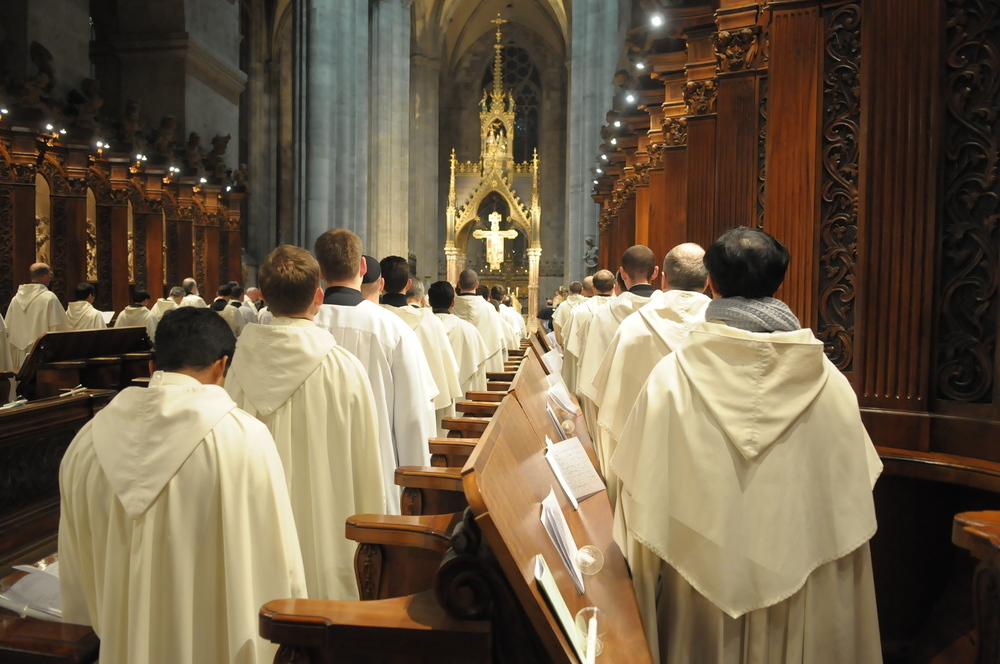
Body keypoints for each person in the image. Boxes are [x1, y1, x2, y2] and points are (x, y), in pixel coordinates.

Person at [611, 227, 883, 663]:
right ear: (779, 283)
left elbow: (638, 499)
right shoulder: (830, 383)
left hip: (699, 594)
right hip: (801, 600)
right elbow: (851, 498)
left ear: (712, 284)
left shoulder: (670, 379)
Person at [59, 307, 307, 664]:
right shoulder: (244, 439)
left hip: (119, 646)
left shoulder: (86, 442)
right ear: (222, 366)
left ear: (151, 366)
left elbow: (75, 573)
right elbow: (279, 562)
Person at [226, 245, 385, 600]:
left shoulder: (232, 369)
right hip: (327, 535)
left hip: (250, 535)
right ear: (318, 296)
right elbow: (367, 471)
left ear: (263, 297)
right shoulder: (343, 369)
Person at [313, 229, 437, 515]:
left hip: (312, 473)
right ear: (363, 267)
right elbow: (413, 418)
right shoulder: (391, 329)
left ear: (320, 271)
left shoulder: (304, 325)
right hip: (376, 475)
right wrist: (418, 490)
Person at [591, 244, 710, 505]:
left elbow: (610, 413)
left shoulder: (633, 328)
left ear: (664, 278)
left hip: (642, 473)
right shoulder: (725, 331)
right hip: (707, 480)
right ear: (708, 281)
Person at [576, 246, 660, 438]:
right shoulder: (671, 314)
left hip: (614, 414)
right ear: (655, 273)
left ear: (622, 273)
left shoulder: (602, 315)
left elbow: (590, 379)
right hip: (660, 415)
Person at [380, 256, 462, 436]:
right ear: (408, 284)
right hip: (421, 415)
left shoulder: (371, 320)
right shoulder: (430, 322)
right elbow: (448, 375)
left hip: (379, 416)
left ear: (381, 283)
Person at [429, 281, 489, 397]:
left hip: (431, 399)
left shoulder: (419, 329)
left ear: (429, 302)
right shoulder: (469, 330)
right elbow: (479, 373)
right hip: (463, 401)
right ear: (453, 302)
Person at [5, 263, 69, 367]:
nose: (50, 278)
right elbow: (59, 329)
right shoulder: (49, 298)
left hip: (18, 352)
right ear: (44, 276)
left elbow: (7, 329)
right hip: (41, 354)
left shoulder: (15, 299)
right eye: (50, 274)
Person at [561, 269, 614, 396]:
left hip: (585, 377)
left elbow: (569, 347)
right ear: (613, 288)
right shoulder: (622, 311)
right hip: (612, 378)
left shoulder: (578, 311)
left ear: (594, 288)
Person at [452, 269, 506, 372]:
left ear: (458, 284)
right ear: (477, 285)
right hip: (483, 367)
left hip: (456, 367)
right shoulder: (489, 309)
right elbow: (498, 340)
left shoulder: (450, 307)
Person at [551, 280, 586, 347]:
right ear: (582, 291)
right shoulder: (587, 304)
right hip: (584, 345)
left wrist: (560, 342)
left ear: (570, 291)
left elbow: (556, 324)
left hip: (567, 344)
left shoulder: (562, 306)